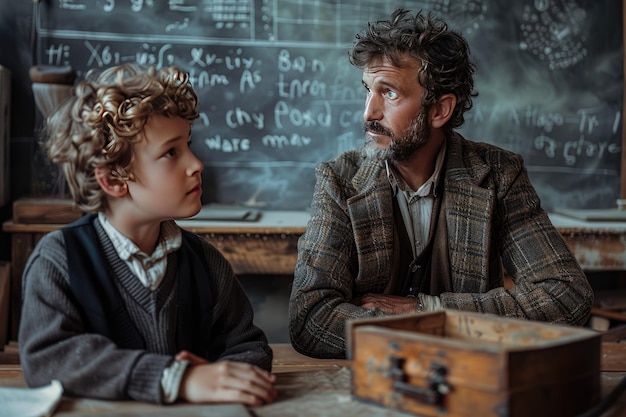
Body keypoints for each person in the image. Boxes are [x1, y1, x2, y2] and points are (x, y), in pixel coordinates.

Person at [288, 8, 594, 359]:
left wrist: (422, 311)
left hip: (474, 383)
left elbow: (566, 296)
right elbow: (309, 319)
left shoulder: (498, 174)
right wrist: (447, 330)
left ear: (440, 110)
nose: (368, 114)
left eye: (389, 94)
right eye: (368, 90)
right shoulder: (340, 180)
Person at [18, 63, 276, 405]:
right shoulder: (60, 260)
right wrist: (176, 379)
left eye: (188, 144)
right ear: (113, 179)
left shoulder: (205, 261)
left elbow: (248, 348)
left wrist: (225, 378)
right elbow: (48, 358)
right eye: (171, 152)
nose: (196, 163)